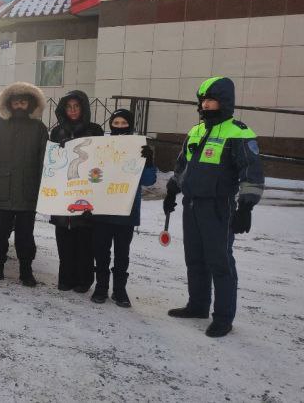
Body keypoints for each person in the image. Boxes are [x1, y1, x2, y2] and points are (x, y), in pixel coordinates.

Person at [164, 76, 264, 338]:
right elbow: (182, 166)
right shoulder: (196, 131)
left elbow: (251, 173)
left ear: (225, 102)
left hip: (219, 207)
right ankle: (198, 306)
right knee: (194, 259)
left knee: (220, 262)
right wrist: (172, 190)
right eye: (203, 100)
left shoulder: (239, 133)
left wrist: (246, 207)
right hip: (192, 205)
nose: (206, 105)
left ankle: (223, 317)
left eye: (211, 100)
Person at [0, 82, 49, 286]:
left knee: (25, 235)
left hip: (28, 192)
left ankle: (26, 271)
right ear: (9, 103)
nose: (19, 105)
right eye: (16, 102)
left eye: (23, 102)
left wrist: (44, 191)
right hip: (2, 191)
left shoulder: (39, 128)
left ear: (30, 104)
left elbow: (45, 161)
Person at [90, 109, 157, 307]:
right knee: (101, 252)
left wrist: (148, 162)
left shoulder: (139, 147)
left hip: (126, 211)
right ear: (111, 125)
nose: (119, 127)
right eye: (116, 123)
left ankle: (120, 290)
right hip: (103, 210)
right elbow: (92, 175)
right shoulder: (102, 146)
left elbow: (148, 181)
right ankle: (101, 287)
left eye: (124, 123)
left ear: (130, 125)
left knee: (122, 254)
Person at [49, 90, 104, 293]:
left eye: (76, 106)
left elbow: (102, 160)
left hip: (87, 191)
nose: (72, 110)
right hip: (63, 193)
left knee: (84, 240)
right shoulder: (57, 132)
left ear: (83, 108)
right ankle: (66, 278)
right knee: (64, 239)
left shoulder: (94, 130)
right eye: (69, 107)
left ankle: (84, 279)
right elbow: (51, 161)